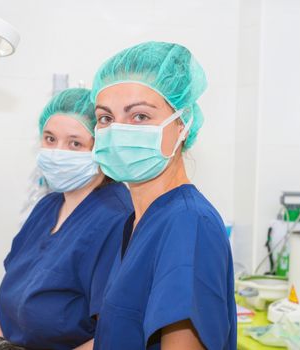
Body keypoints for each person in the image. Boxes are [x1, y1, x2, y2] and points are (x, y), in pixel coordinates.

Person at [90, 42, 236, 350]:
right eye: (105, 118)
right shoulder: (136, 221)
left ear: (183, 124)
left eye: (140, 116)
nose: (117, 131)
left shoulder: (188, 225)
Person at [0, 88, 133, 350]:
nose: (58, 152)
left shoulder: (116, 218)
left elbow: (114, 334)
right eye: (50, 139)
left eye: (75, 143)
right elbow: (12, 294)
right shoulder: (48, 206)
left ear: (103, 147)